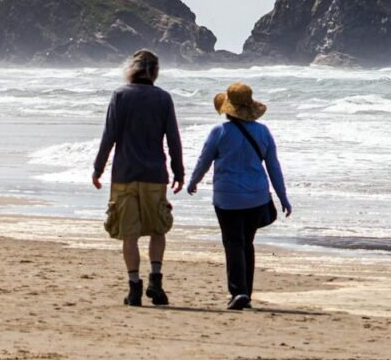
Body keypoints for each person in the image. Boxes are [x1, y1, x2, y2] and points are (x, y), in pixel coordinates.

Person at [185, 82, 291, 310]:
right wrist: (283, 197)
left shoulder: (220, 132)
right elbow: (273, 166)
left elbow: (204, 160)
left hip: (227, 197)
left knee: (233, 243)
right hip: (257, 197)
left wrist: (193, 181)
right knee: (247, 243)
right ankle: (246, 293)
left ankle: (238, 291)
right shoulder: (263, 132)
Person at [92, 49, 184, 307]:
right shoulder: (164, 98)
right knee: (158, 229)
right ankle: (156, 281)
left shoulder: (120, 95)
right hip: (155, 174)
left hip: (125, 174)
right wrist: (179, 171)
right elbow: (173, 139)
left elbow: (109, 136)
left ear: (131, 69)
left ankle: (134, 287)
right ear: (155, 71)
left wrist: (98, 168)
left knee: (129, 234)